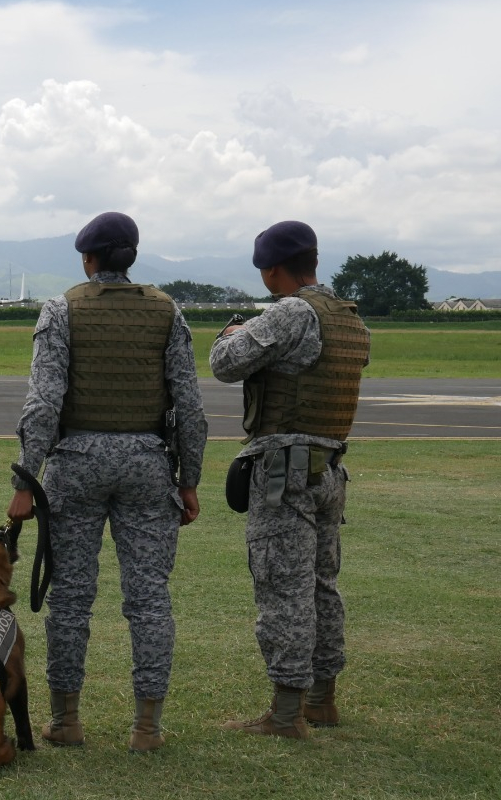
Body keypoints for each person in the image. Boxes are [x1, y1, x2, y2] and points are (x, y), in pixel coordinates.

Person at [6, 211, 207, 752]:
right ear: (133, 257)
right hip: (147, 461)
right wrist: (190, 480)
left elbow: (44, 402)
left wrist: (26, 480)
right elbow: (189, 405)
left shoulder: (61, 309)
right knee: (150, 600)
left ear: (88, 258)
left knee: (71, 599)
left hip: (75, 462)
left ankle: (66, 721)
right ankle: (148, 728)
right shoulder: (167, 311)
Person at [210, 220, 370, 739]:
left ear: (272, 269)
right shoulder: (349, 318)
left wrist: (231, 334)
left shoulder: (292, 313)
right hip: (330, 468)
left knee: (283, 587)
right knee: (323, 586)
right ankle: (323, 700)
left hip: (286, 471)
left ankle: (285, 715)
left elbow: (224, 365)